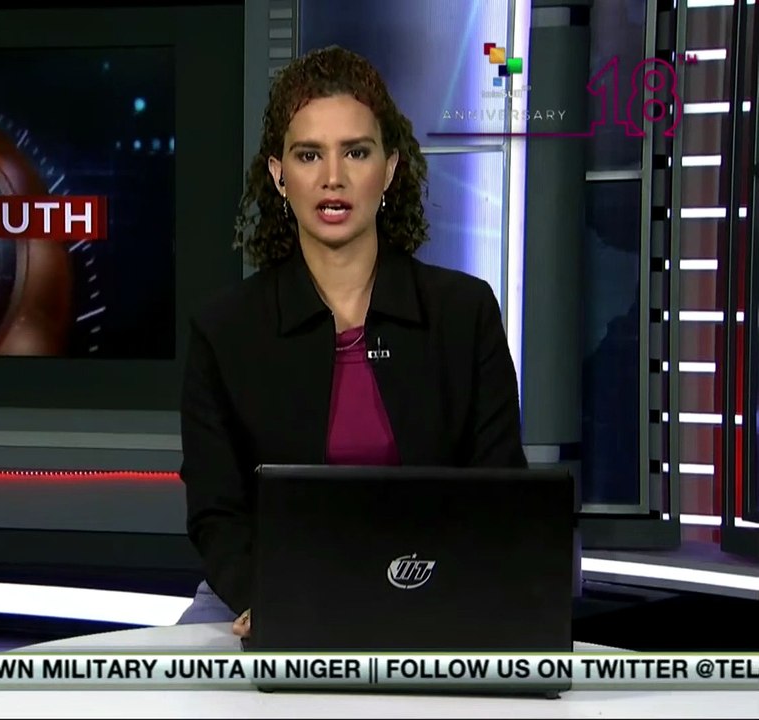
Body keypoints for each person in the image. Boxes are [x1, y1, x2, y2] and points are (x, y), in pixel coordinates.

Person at [176, 46, 528, 638]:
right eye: (309, 154)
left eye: (356, 152)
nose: (332, 178)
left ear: (389, 169)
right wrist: (271, 599)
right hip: (264, 589)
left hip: (432, 585)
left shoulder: (463, 313)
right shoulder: (225, 329)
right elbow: (217, 512)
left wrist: (447, 595)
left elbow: (501, 492)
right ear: (278, 175)